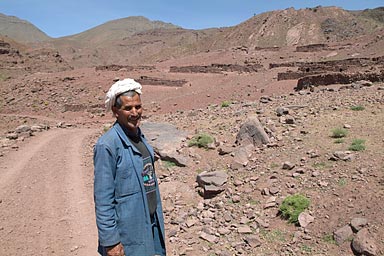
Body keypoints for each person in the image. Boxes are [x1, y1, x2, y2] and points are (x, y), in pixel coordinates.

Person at [93, 78, 166, 256]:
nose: (135, 112)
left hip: (150, 223)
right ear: (115, 111)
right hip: (128, 231)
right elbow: (103, 199)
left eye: (138, 106)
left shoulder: (140, 137)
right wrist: (111, 241)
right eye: (128, 108)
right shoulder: (107, 145)